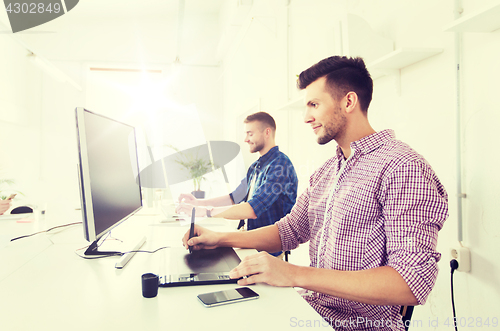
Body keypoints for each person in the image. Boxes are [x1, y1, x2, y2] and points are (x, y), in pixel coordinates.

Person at [182, 56, 449, 330]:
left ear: (348, 102)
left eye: (314, 104)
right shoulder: (327, 171)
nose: (306, 117)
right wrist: (220, 239)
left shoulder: (402, 167)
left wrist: (294, 274)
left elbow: (412, 282)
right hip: (311, 312)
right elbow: (289, 231)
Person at [176, 111, 298, 257]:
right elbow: (234, 197)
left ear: (267, 132)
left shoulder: (280, 165)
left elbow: (252, 210)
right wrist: (198, 203)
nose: (245, 139)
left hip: (268, 252)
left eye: (250, 133)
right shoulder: (255, 167)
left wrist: (206, 212)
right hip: (249, 242)